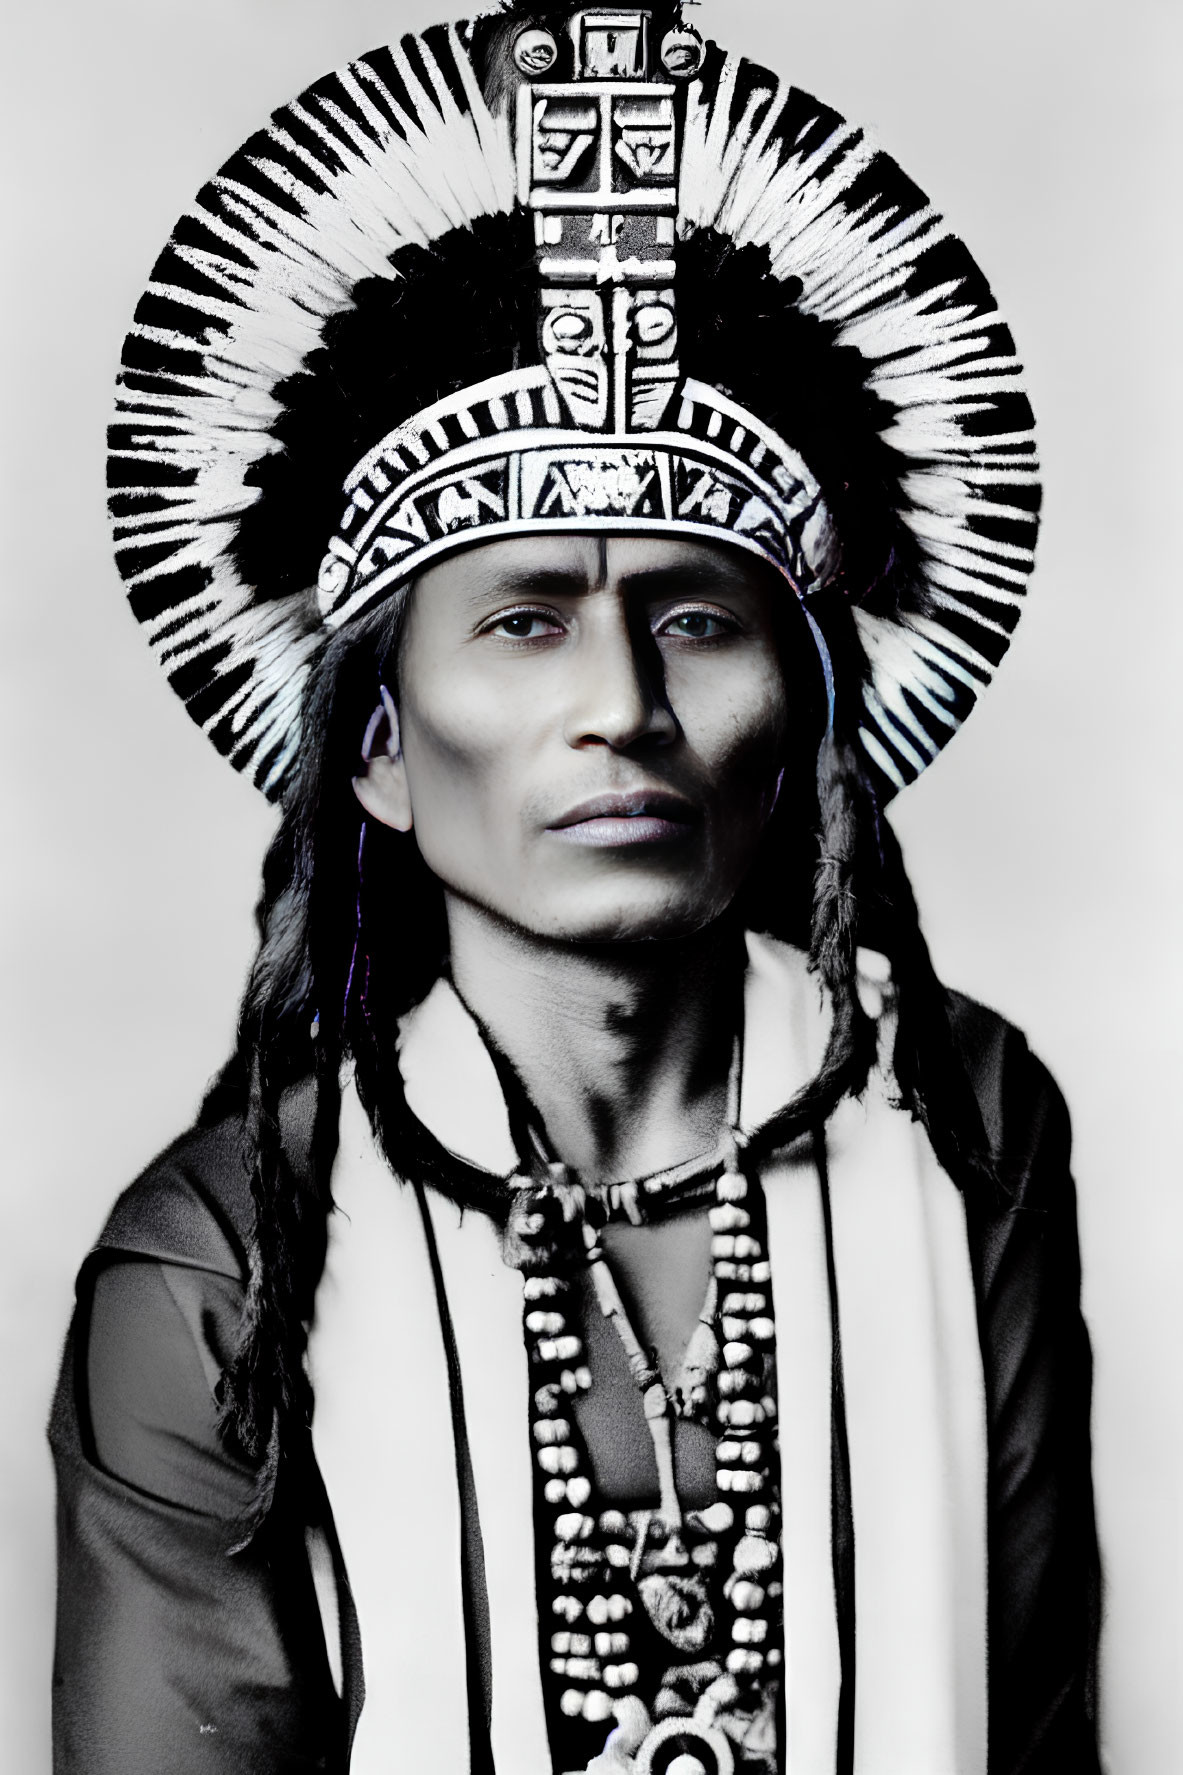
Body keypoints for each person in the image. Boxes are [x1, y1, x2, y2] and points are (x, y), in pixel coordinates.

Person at [49, 4, 1102, 1772]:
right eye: (525, 622)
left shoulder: (962, 1129)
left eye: (695, 621)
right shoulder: (220, 1265)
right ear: (378, 753)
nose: (622, 706)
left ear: (805, 732)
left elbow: (1038, 1721)